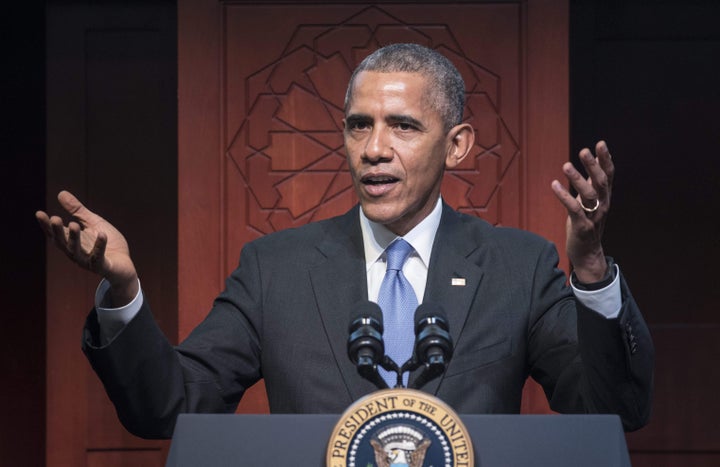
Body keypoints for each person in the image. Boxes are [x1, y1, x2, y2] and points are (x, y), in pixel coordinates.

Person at [36, 43, 653, 439]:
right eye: (360, 125)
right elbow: (166, 406)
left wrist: (592, 267)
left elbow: (612, 409)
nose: (374, 149)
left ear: (457, 145)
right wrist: (124, 292)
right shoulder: (274, 269)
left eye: (403, 126)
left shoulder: (518, 266)